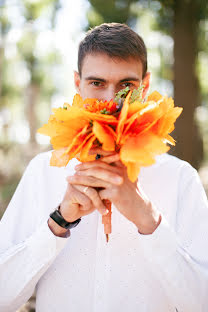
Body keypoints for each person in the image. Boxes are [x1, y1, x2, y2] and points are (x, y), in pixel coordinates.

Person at [0, 23, 208, 312]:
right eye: (97, 83)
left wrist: (148, 219)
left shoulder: (179, 177)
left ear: (145, 86)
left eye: (126, 86)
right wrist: (58, 223)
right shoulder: (43, 170)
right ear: (77, 83)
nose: (111, 101)